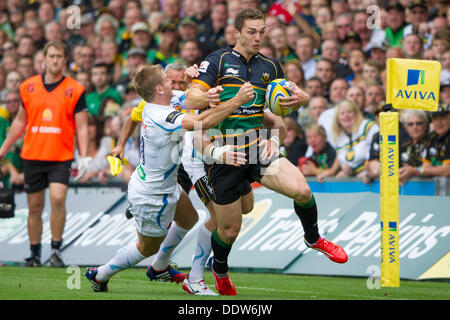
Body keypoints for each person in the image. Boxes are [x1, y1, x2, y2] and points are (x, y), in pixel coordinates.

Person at [186, 8, 348, 296]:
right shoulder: (218, 61)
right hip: (224, 152)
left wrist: (293, 111)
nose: (258, 37)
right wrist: (206, 95)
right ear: (236, 32)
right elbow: (191, 96)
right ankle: (220, 269)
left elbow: (278, 111)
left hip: (258, 144)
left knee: (302, 189)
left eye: (262, 31)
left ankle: (314, 239)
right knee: (230, 231)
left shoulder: (271, 67)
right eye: (251, 31)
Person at [85, 64, 254, 293]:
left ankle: (161, 267)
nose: (171, 82)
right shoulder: (160, 114)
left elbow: (194, 100)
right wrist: (236, 101)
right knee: (146, 249)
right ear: (159, 88)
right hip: (152, 195)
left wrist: (201, 85)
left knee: (189, 219)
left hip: (167, 185)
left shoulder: (165, 100)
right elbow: (203, 122)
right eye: (166, 79)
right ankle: (100, 274)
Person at [0, 40, 90, 267]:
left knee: (58, 199)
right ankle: (34, 254)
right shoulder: (28, 87)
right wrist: (4, 148)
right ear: (44, 58)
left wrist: (85, 156)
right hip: (32, 155)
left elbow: (81, 126)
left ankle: (56, 250)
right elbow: (20, 120)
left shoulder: (75, 89)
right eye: (51, 56)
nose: (55, 60)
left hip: (61, 156)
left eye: (59, 56)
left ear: (65, 59)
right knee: (34, 207)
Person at [331, 99, 378, 178]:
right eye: (342, 113)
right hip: (356, 181)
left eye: (349, 112)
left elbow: (378, 153)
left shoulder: (368, 127)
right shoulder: (339, 137)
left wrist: (367, 171)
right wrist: (346, 171)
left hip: (374, 175)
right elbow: (345, 162)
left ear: (356, 114)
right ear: (337, 119)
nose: (346, 115)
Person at [420, 104, 450, 177]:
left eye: (442, 118)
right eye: (435, 119)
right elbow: (425, 166)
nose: (438, 122)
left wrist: (416, 171)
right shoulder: (431, 137)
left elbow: (447, 170)